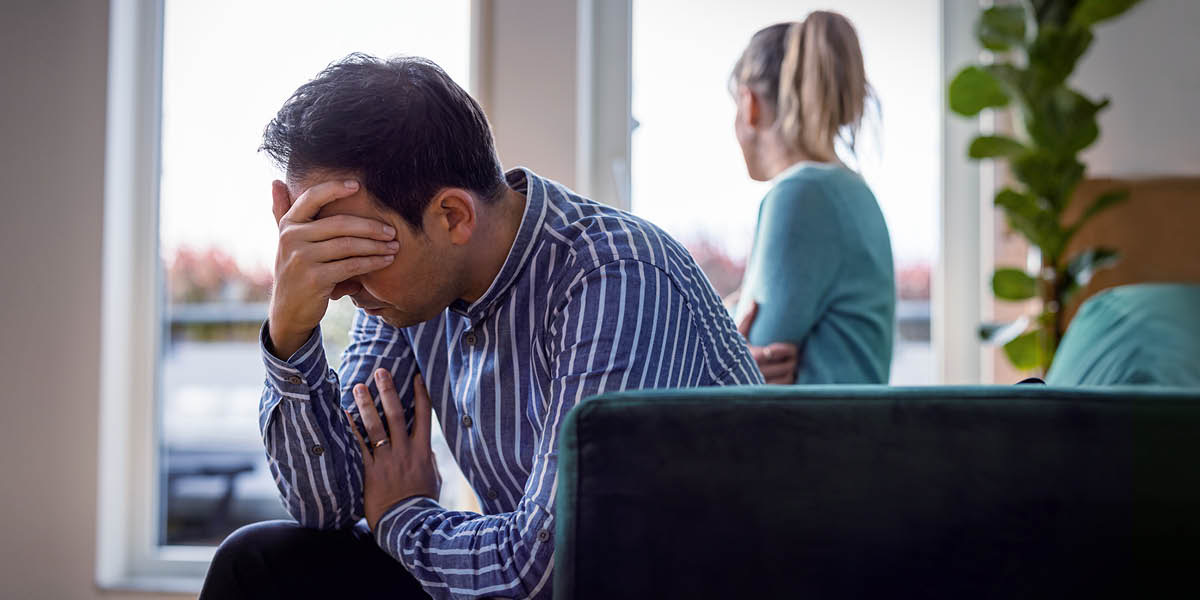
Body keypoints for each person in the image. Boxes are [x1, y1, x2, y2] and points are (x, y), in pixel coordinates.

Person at [198, 54, 762, 599]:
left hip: (668, 584)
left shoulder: (615, 277)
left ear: (452, 217)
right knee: (259, 565)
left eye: (358, 251)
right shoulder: (410, 294)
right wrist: (290, 337)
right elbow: (334, 507)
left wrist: (403, 517)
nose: (340, 288)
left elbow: (547, 569)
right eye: (327, 253)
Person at [729, 12, 895, 385]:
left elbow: (751, 358)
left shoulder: (801, 194)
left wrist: (728, 353)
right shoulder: (851, 191)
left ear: (748, 103)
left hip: (811, 439)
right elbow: (741, 356)